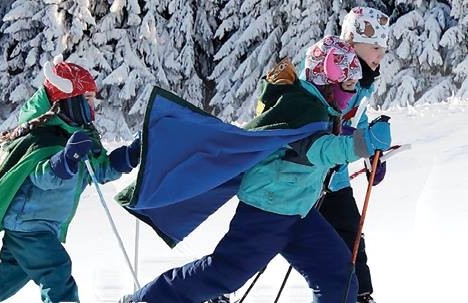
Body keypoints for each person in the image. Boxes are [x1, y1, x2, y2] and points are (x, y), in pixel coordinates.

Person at [121, 36, 391, 303]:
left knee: (339, 279)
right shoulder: (301, 108)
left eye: (354, 84)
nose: (351, 92)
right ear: (326, 81)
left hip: (299, 213)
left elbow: (331, 135)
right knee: (223, 275)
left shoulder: (321, 106)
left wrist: (362, 141)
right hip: (266, 213)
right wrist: (364, 143)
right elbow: (320, 149)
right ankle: (147, 299)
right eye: (347, 84)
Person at [0, 55, 141, 303]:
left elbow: (101, 170)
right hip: (28, 227)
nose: (94, 105)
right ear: (71, 102)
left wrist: (131, 154)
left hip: (40, 227)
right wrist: (66, 160)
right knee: (56, 271)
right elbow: (42, 176)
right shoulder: (44, 137)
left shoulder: (81, 137)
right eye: (89, 98)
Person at [318, 7, 390, 303]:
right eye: (375, 47)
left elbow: (357, 120)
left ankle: (361, 295)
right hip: (306, 176)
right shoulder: (327, 68)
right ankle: (217, 285)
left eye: (383, 49)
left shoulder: (363, 83)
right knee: (273, 236)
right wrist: (348, 138)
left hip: (337, 181)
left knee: (352, 240)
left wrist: (372, 153)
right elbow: (318, 115)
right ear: (351, 42)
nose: (380, 55)